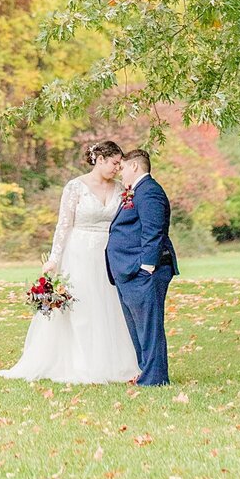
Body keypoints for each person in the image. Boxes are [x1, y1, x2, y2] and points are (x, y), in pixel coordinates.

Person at [0, 140, 140, 383]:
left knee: (110, 308)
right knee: (82, 308)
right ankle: (82, 364)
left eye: (120, 164)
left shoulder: (121, 189)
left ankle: (114, 364)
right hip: (79, 253)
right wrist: (54, 259)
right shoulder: (75, 187)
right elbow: (64, 225)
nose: (118, 167)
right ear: (100, 159)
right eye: (114, 162)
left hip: (110, 254)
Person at [105, 148, 178, 387]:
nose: (120, 172)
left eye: (123, 167)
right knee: (138, 329)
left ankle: (155, 378)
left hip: (143, 272)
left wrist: (147, 267)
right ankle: (146, 374)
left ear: (135, 166)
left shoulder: (150, 192)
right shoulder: (136, 192)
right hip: (128, 271)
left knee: (149, 327)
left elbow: (153, 231)